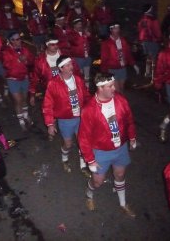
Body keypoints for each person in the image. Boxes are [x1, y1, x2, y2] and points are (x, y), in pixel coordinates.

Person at [78, 73, 137, 217]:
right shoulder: (89, 109)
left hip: (120, 147)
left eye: (114, 84)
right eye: (110, 86)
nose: (114, 87)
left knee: (120, 174)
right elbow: (83, 137)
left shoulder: (121, 100)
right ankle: (89, 193)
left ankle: (123, 203)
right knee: (97, 181)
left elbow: (129, 120)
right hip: (101, 151)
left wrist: (132, 137)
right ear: (100, 88)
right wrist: (90, 160)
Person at [42, 55, 91, 175]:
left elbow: (86, 96)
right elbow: (47, 105)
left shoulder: (78, 79)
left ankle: (83, 165)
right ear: (61, 68)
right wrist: (50, 124)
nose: (71, 66)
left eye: (71, 64)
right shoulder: (53, 83)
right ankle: (65, 158)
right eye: (68, 65)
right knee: (68, 144)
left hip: (80, 117)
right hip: (65, 120)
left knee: (82, 142)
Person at [2, 32, 35, 131]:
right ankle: (20, 120)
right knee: (18, 100)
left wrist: (27, 60)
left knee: (24, 99)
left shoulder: (24, 49)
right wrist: (18, 60)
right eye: (15, 39)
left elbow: (31, 61)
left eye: (19, 39)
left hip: (24, 78)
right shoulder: (6, 51)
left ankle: (25, 115)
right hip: (13, 79)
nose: (18, 41)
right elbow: (6, 65)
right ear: (11, 41)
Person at [100, 23, 139, 92]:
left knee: (121, 90)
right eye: (115, 28)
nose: (118, 30)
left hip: (122, 69)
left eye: (118, 28)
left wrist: (134, 65)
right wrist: (104, 72)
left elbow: (128, 54)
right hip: (112, 70)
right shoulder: (106, 43)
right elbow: (104, 59)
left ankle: (121, 102)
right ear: (111, 30)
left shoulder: (123, 41)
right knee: (117, 91)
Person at [137, 4, 162, 78]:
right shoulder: (153, 20)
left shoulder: (142, 19)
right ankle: (153, 75)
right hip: (152, 41)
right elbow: (157, 31)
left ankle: (147, 72)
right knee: (154, 58)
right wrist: (160, 39)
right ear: (150, 10)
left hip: (144, 41)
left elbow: (139, 29)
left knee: (148, 57)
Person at [68, 18, 92, 87]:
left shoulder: (84, 33)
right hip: (78, 58)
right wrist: (84, 36)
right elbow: (76, 42)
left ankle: (87, 88)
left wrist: (89, 36)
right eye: (78, 24)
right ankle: (80, 88)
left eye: (81, 24)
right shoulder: (71, 34)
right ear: (74, 25)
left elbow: (90, 41)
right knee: (79, 74)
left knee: (87, 75)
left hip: (87, 57)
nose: (80, 26)